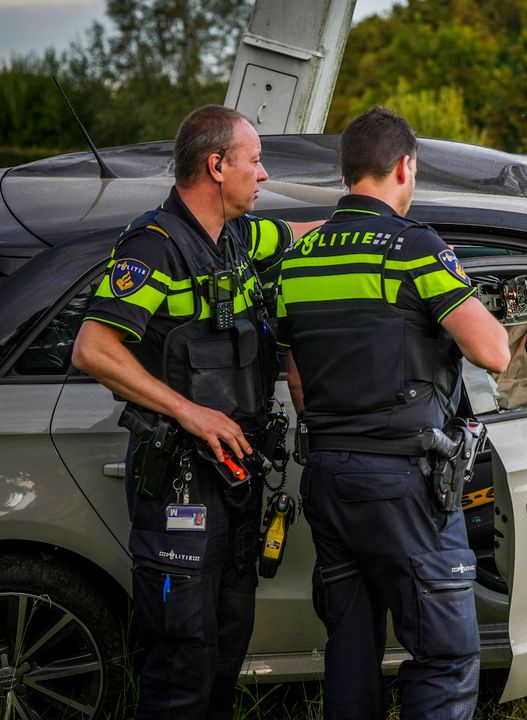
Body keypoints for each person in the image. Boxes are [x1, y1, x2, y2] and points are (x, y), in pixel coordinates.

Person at [71, 105, 321, 719]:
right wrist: (191, 412)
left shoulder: (239, 235)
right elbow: (93, 349)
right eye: (254, 161)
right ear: (217, 165)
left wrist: (388, 229)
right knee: (182, 660)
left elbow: (304, 234)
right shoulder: (153, 247)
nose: (262, 176)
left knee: (226, 645)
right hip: (180, 484)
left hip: (235, 482)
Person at [277, 107, 509, 720]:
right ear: (405, 166)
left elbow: (298, 378)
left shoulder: (300, 259)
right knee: (446, 655)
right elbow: (494, 352)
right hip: (404, 482)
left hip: (326, 476)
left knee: (349, 652)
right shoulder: (414, 247)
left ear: (348, 169)